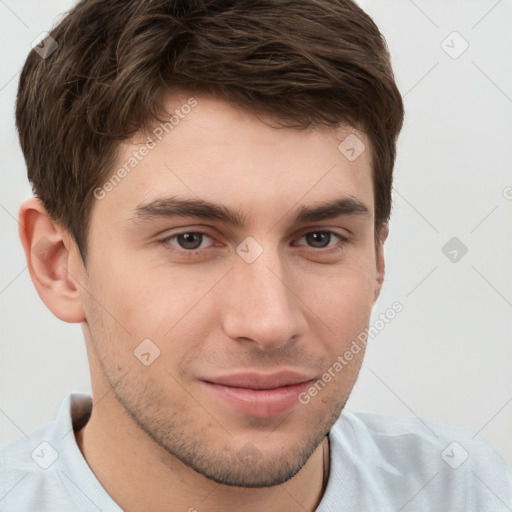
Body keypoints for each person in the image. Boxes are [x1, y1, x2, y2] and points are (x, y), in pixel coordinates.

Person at [1, 0, 511, 510]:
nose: (271, 322)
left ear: (378, 259)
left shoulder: (468, 489)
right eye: (190, 240)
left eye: (319, 238)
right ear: (58, 265)